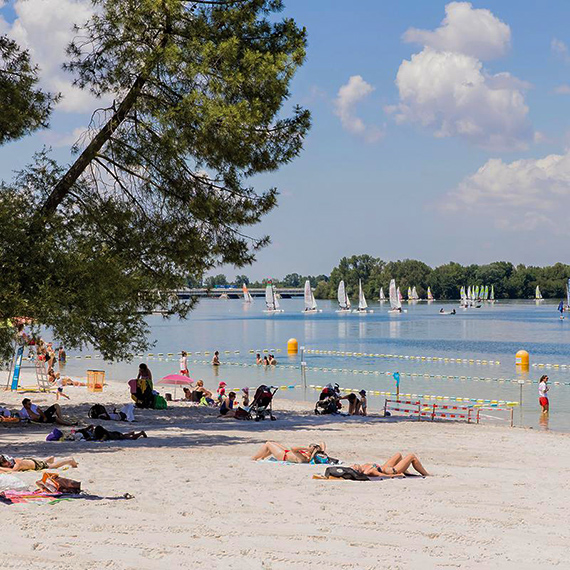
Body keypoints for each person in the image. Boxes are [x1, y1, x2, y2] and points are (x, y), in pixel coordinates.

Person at [350, 453, 429, 477]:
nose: (354, 465)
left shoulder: (364, 467)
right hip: (391, 471)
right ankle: (426, 474)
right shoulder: (368, 471)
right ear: (358, 471)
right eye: (354, 467)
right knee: (412, 456)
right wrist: (398, 475)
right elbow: (383, 476)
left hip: (385, 467)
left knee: (398, 455)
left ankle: (405, 469)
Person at [252, 441, 326, 463]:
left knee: (268, 444)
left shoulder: (305, 458)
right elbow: (322, 443)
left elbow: (293, 448)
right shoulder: (308, 456)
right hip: (286, 452)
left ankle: (254, 458)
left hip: (282, 456)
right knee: (272, 445)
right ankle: (262, 457)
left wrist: (307, 449)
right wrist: (321, 451)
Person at [0, 454, 78, 472]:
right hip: (30, 461)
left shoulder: (17, 464)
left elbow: (13, 471)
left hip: (37, 465)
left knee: (52, 466)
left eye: (7, 463)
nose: (8, 464)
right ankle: (49, 459)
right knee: (42, 462)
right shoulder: (14, 460)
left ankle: (69, 460)